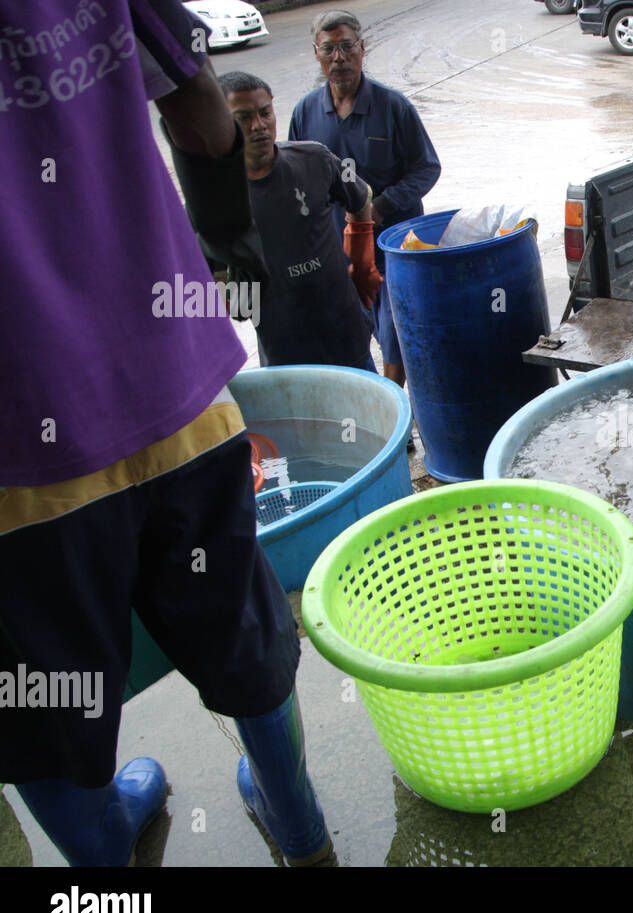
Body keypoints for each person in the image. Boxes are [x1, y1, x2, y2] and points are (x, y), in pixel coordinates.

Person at [0, 0, 330, 866]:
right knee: (240, 626)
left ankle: (106, 864)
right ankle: (297, 823)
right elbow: (198, 101)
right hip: (172, 380)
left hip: (18, 456)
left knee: (42, 701)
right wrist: (223, 241)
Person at [289, 8, 442, 390]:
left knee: (395, 329)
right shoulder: (306, 112)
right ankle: (373, 408)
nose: (338, 58)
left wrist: (380, 206)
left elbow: (427, 168)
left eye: (346, 47)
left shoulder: (393, 107)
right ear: (316, 53)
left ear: (362, 48)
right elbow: (293, 180)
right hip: (335, 248)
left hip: (392, 244)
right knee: (348, 328)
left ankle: (396, 405)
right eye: (329, 50)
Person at [219, 70, 381, 370]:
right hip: (283, 345)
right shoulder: (215, 197)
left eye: (265, 112)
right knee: (302, 415)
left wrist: (362, 264)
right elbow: (212, 273)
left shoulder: (315, 158)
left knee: (368, 411)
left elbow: (360, 200)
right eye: (244, 118)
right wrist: (236, 298)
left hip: (343, 328)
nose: (259, 126)